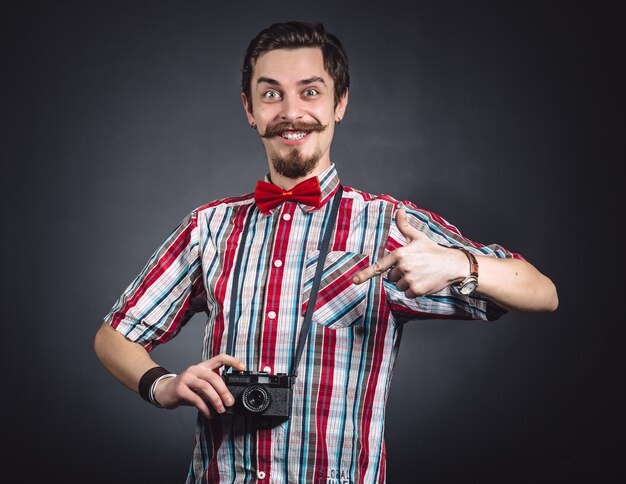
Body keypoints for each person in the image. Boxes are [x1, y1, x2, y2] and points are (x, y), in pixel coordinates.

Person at [94, 21, 558, 483]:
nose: (291, 112)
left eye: (310, 92)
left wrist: (460, 264)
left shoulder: (389, 225)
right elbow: (115, 335)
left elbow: (542, 291)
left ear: (340, 103)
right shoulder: (209, 226)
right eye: (271, 94)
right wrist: (165, 385)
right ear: (249, 109)